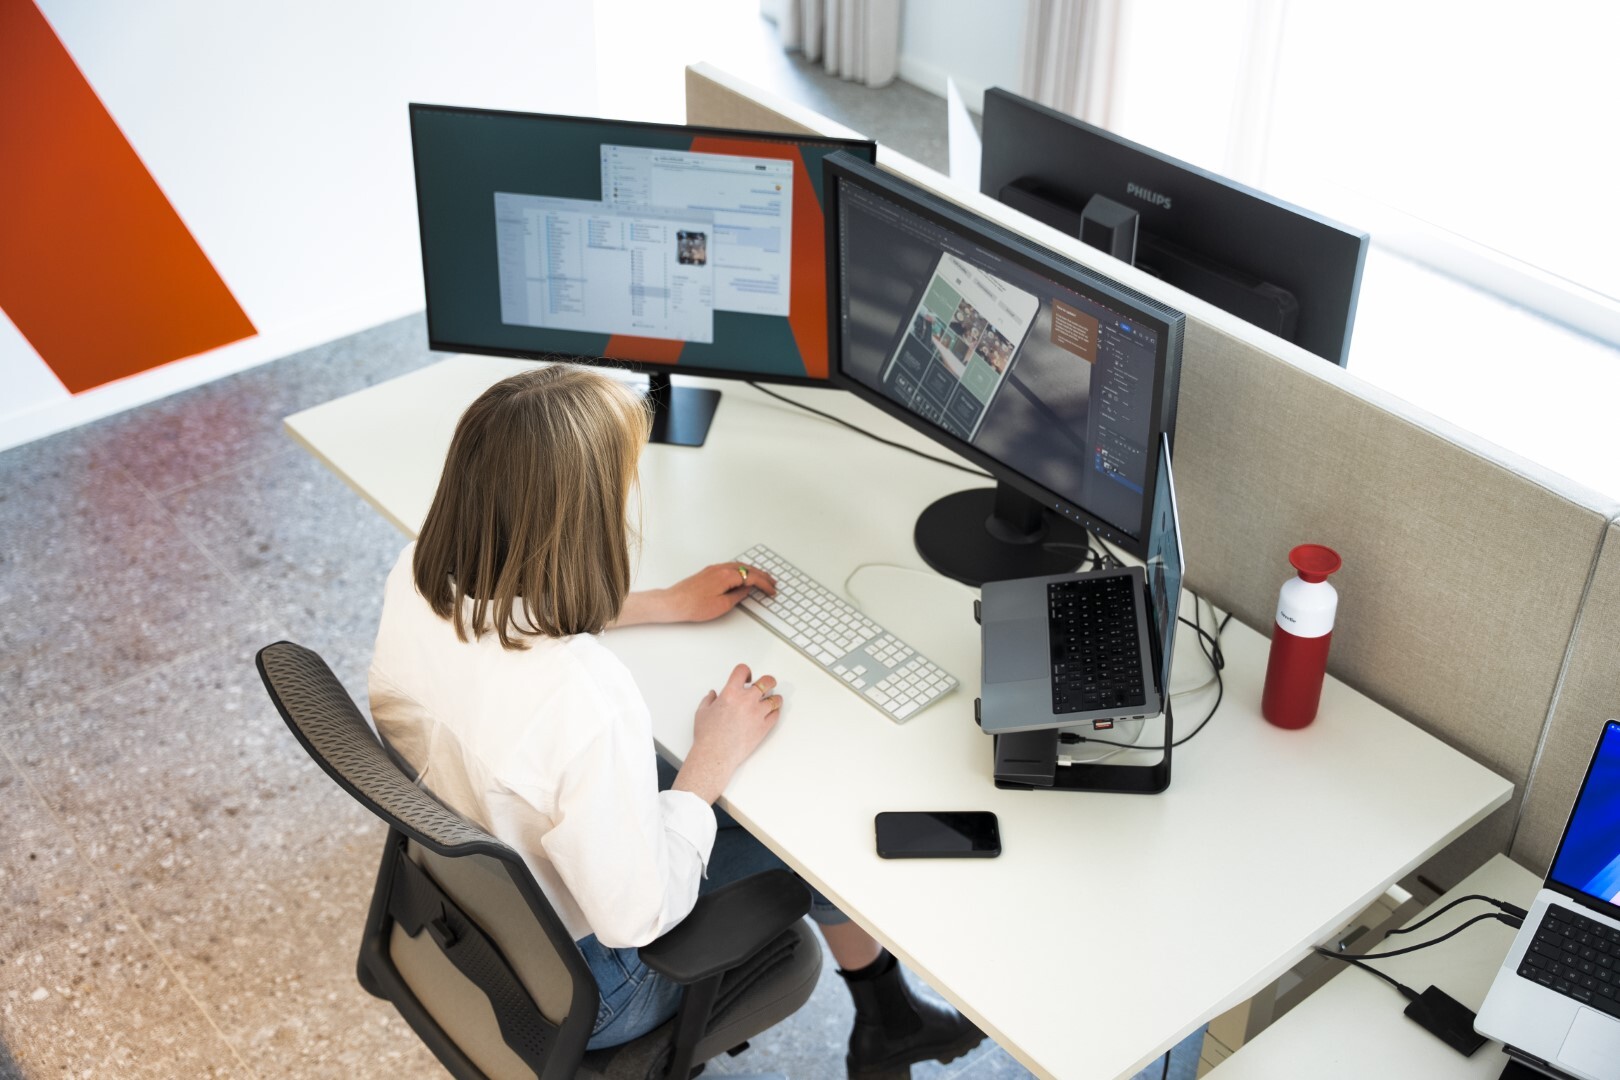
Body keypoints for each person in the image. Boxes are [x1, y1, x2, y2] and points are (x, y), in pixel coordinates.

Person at [368, 363, 983, 1076]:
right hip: (597, 987)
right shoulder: (584, 700)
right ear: (588, 516)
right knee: (812, 841)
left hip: (481, 913)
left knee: (722, 799)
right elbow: (637, 917)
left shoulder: (416, 575)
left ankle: (889, 1016)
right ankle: (888, 1018)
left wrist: (663, 603)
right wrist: (711, 757)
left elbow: (511, 621)